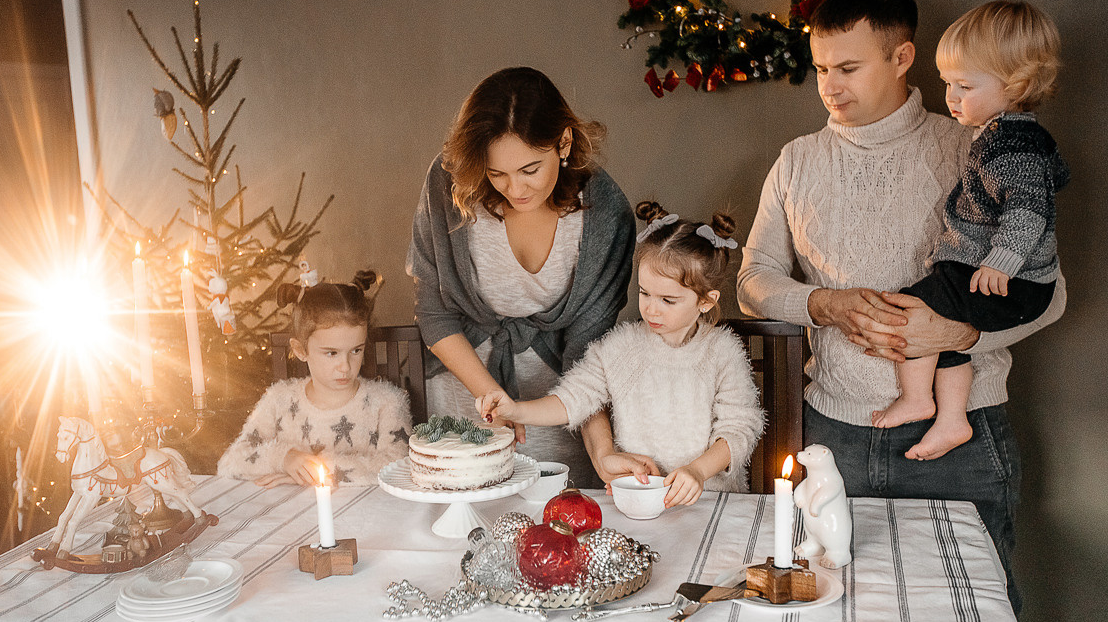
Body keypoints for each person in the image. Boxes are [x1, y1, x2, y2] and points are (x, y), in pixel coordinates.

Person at [735, 0, 1065, 612]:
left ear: (902, 57)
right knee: (837, 619)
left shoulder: (977, 145)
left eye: (848, 67)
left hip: (964, 439)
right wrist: (822, 305)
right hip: (835, 438)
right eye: (821, 69)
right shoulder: (797, 160)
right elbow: (753, 280)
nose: (830, 86)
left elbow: (1049, 295)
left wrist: (959, 335)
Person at [406, 66, 647, 488]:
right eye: (496, 174)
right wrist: (492, 402)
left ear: (564, 142)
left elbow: (587, 354)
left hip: (560, 408)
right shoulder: (451, 184)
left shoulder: (606, 214)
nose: (514, 189)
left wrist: (602, 451)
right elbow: (434, 311)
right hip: (464, 402)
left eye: (530, 170)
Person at [872, 1, 1069, 460]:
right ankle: (952, 419)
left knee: (915, 303)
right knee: (944, 319)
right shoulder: (1014, 134)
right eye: (947, 84)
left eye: (964, 86)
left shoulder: (1011, 143)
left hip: (1016, 283)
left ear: (1016, 85)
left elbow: (1028, 210)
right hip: (1011, 276)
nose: (952, 98)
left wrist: (1001, 262)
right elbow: (1056, 176)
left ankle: (920, 400)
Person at [478, 202, 763, 506]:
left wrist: (697, 471)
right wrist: (516, 410)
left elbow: (739, 429)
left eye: (668, 300)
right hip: (640, 496)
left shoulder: (723, 352)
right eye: (645, 293)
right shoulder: (621, 348)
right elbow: (572, 399)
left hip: (711, 500)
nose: (651, 308)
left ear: (706, 301)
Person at [217, 270, 411, 487]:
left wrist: (310, 474)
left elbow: (398, 467)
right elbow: (230, 463)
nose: (345, 367)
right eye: (331, 353)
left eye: (356, 350)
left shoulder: (387, 402)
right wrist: (286, 459)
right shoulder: (278, 400)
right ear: (300, 350)